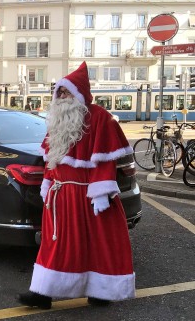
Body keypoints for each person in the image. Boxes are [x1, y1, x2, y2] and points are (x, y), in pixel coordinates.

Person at [17, 62, 135, 309]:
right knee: (55, 243)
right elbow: (51, 158)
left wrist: (101, 192)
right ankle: (41, 292)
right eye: (59, 92)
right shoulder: (57, 122)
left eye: (66, 92)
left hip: (89, 195)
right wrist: (47, 183)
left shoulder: (100, 118)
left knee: (96, 243)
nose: (61, 97)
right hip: (60, 196)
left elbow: (106, 159)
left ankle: (99, 291)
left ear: (79, 94)